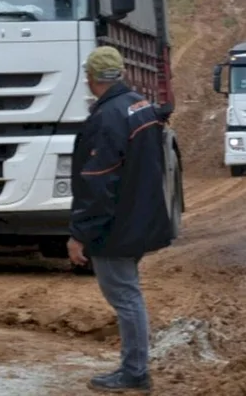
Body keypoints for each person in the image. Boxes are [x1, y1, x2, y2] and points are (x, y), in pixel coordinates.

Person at [67, 46, 175, 393]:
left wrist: (80, 233)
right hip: (140, 217)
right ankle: (134, 368)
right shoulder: (139, 105)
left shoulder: (107, 117)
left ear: (91, 77)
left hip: (118, 225)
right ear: (121, 73)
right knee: (129, 294)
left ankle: (134, 372)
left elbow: (98, 182)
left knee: (126, 297)